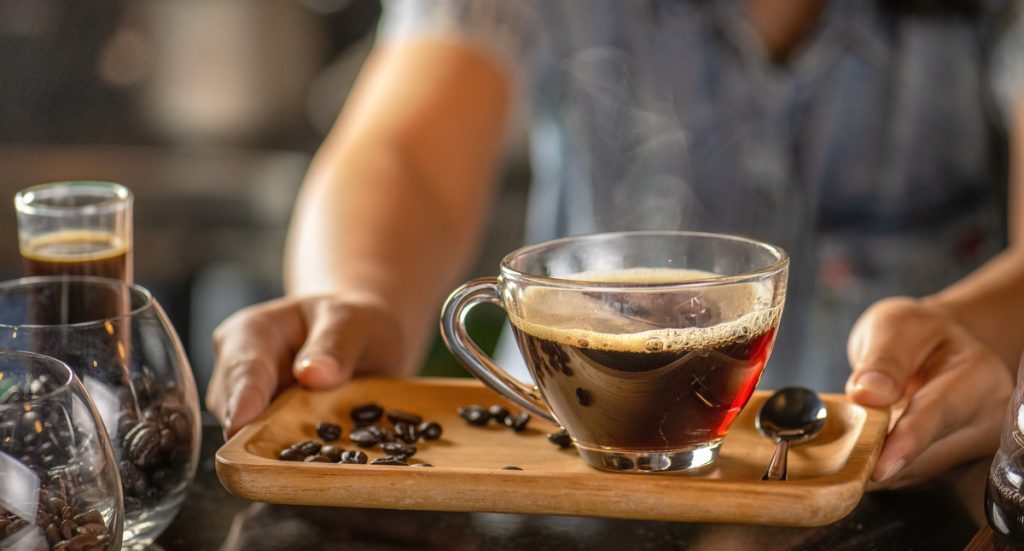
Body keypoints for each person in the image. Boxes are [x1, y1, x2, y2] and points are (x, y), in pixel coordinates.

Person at [207, 0, 1024, 489]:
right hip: (564, 503)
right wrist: (359, 296)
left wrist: (977, 332)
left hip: (903, 497)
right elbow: (407, 155)